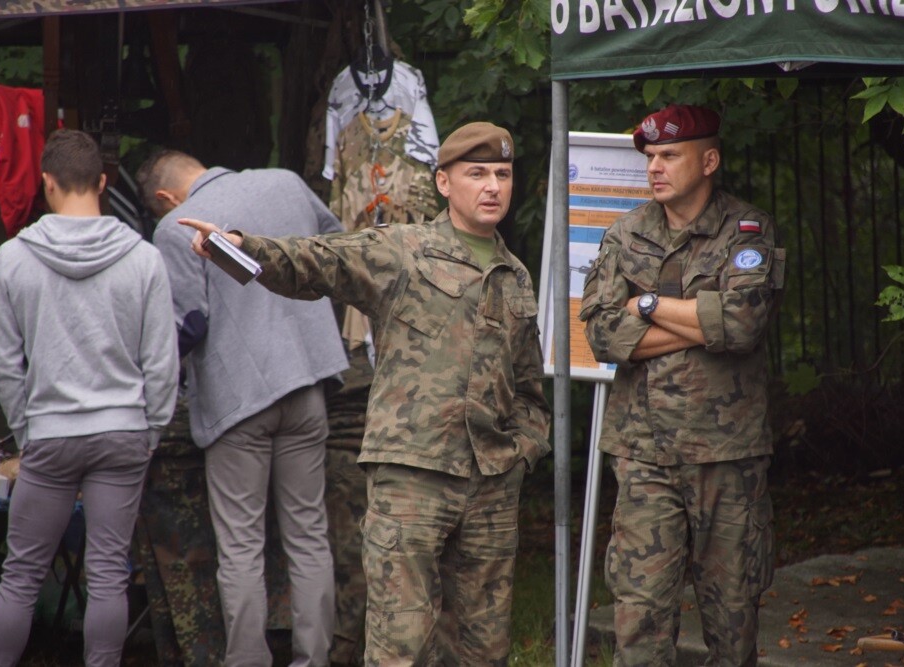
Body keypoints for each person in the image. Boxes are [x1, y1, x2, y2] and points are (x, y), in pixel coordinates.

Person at [178, 121, 552, 666]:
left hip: (491, 487)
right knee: (399, 649)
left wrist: (522, 451)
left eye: (502, 173)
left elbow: (528, 386)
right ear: (444, 184)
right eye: (477, 174)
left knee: (482, 650)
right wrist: (240, 248)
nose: (492, 185)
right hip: (412, 482)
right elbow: (314, 261)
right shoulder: (403, 250)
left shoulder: (514, 275)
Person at [579, 104, 785, 667]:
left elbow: (743, 323)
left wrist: (645, 306)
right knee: (640, 618)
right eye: (650, 157)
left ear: (709, 160)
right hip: (643, 454)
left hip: (727, 456)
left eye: (670, 155)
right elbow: (601, 334)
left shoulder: (748, 229)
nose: (655, 168)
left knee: (731, 617)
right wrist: (701, 322)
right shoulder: (625, 233)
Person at [136, 150, 348, 667]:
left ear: (166, 198)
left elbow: (190, 323)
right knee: (309, 535)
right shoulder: (287, 182)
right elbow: (339, 252)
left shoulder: (175, 227)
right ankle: (314, 659)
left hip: (239, 403)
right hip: (307, 384)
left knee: (241, 548)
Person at [0, 129, 178, 667]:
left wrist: (27, 431)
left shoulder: (11, 259)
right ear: (102, 181)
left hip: (49, 433)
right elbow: (162, 362)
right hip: (123, 434)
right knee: (108, 574)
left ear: (47, 183)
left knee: (21, 577)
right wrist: (152, 430)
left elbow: (4, 363)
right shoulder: (143, 258)